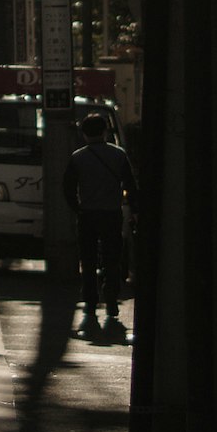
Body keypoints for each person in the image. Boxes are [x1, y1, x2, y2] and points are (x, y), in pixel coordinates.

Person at [63, 109, 137, 344]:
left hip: (88, 215)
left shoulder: (77, 157)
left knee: (88, 259)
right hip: (112, 213)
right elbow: (131, 186)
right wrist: (134, 211)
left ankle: (91, 301)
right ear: (106, 130)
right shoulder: (119, 155)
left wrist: (78, 208)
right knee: (112, 258)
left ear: (84, 133)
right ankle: (112, 299)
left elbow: (67, 188)